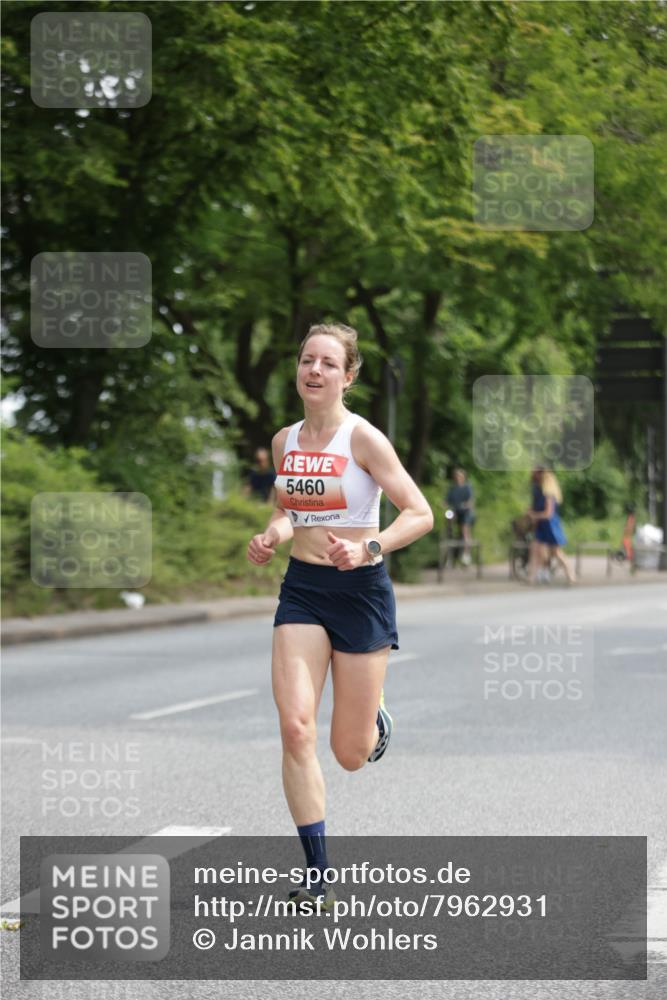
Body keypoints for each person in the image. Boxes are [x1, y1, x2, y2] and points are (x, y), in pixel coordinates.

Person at [246, 322, 433, 910]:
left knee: (349, 753)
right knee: (294, 726)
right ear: (298, 370)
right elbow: (289, 510)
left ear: (347, 376)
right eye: (308, 360)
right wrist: (273, 534)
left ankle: (372, 715)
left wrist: (369, 548)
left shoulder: (364, 440)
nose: (315, 370)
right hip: (302, 589)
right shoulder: (285, 442)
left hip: (361, 591)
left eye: (329, 362)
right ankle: (318, 875)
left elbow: (420, 513)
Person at [526, 467, 576, 584]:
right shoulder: (537, 489)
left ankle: (570, 574)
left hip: (551, 526)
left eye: (535, 472)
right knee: (535, 550)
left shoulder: (549, 492)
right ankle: (531, 578)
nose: (532, 474)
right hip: (541, 525)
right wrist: (531, 513)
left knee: (556, 552)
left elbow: (548, 514)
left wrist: (533, 515)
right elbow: (535, 507)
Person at [446, 467, 474, 565]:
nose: (458, 478)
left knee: (464, 530)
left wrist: (465, 505)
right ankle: (449, 553)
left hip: (465, 512)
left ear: (463, 477)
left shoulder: (467, 488)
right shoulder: (452, 488)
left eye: (460, 476)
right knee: (448, 523)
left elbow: (470, 501)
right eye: (456, 476)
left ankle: (466, 554)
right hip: (454, 512)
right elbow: (447, 500)